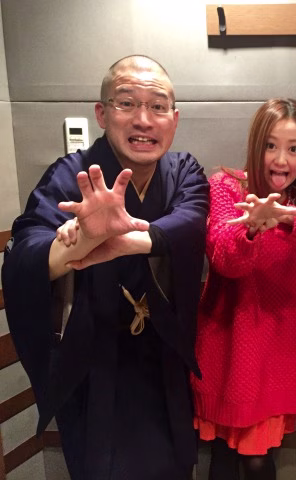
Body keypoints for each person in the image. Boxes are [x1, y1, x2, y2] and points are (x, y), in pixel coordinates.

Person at [1, 55, 209, 480]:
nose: (143, 119)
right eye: (127, 103)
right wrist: (81, 241)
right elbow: (27, 250)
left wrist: (117, 241)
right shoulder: (72, 175)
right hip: (93, 364)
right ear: (101, 113)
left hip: (164, 359)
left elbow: (191, 221)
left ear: (174, 118)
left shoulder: (183, 170)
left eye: (157, 106)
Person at [191, 98, 296, 480]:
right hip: (229, 346)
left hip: (280, 351)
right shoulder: (225, 187)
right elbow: (225, 259)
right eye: (271, 146)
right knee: (222, 455)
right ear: (256, 145)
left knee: (257, 458)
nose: (281, 159)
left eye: (294, 149)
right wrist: (251, 227)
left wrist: (290, 220)